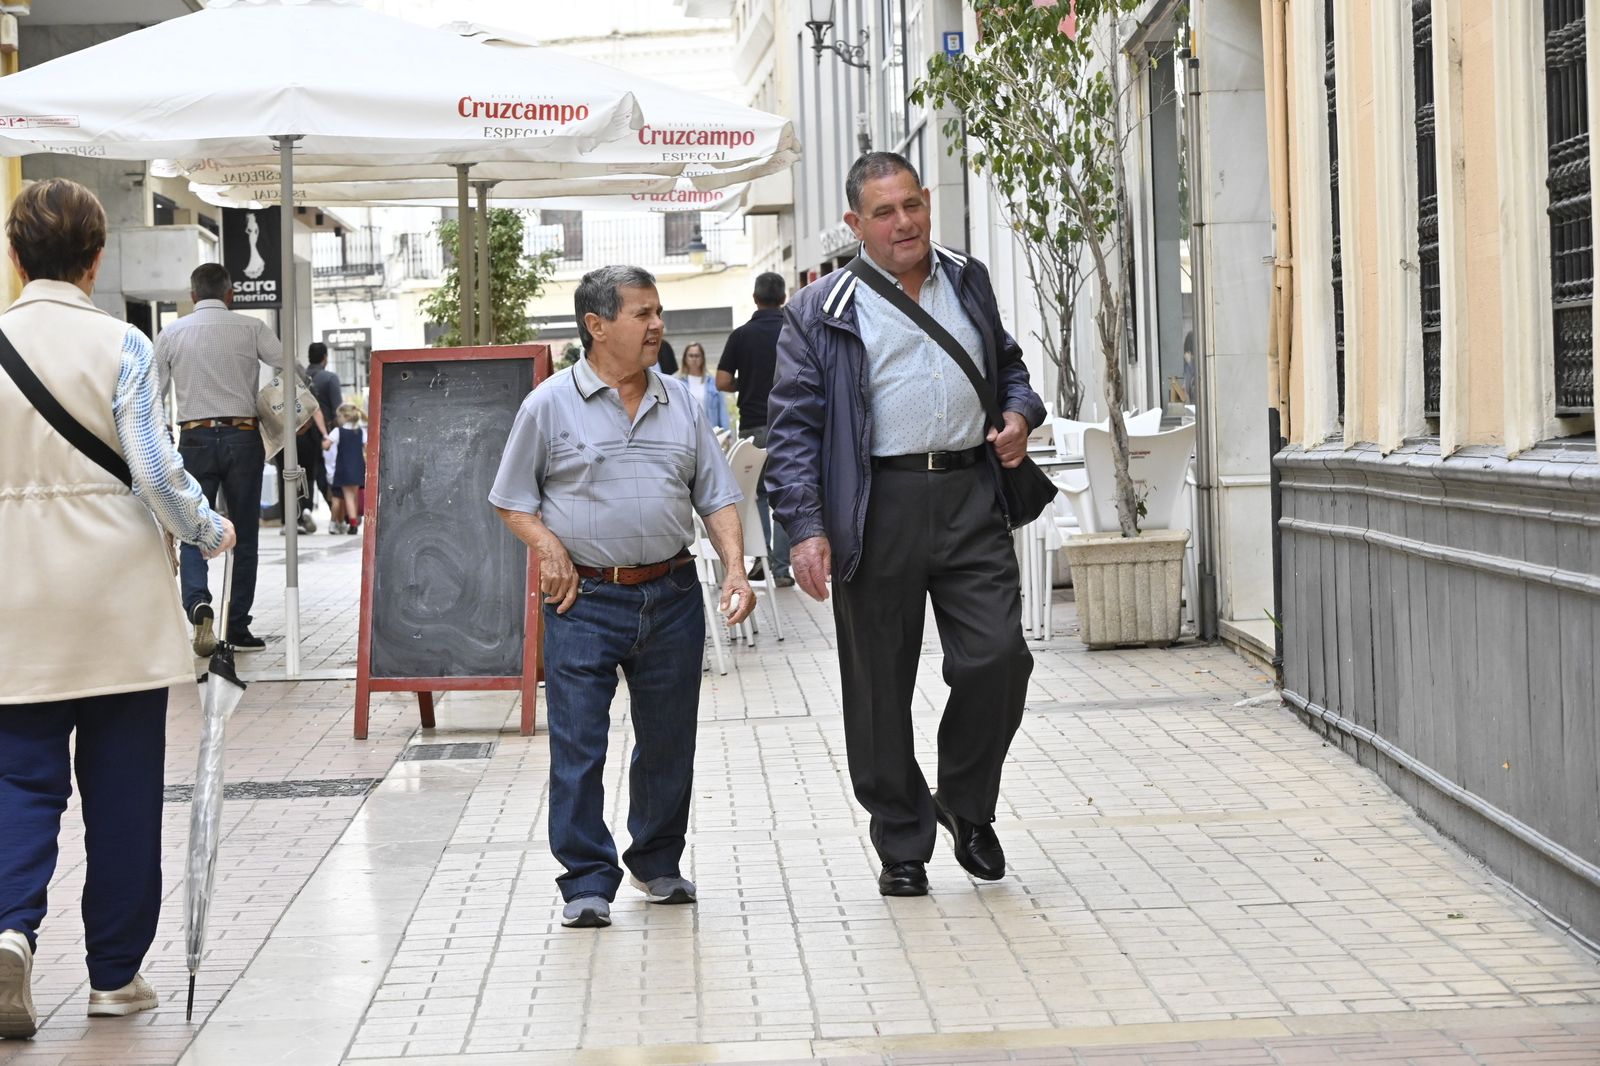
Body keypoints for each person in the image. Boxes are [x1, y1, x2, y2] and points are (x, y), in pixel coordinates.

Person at [765, 153, 1046, 898]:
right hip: (875, 506)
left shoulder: (968, 279)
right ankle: (901, 841)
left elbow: (1009, 369)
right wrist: (805, 528)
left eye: (911, 205)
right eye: (884, 213)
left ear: (927, 203)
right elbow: (793, 430)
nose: (904, 223)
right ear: (856, 224)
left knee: (999, 658)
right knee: (878, 686)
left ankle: (964, 801)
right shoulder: (821, 310)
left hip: (969, 498)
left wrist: (1017, 415)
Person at [0, 178, 236, 1038]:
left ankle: (9, 932)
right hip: (117, 604)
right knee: (124, 790)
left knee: (18, 783)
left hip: (12, 601)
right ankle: (112, 976)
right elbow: (153, 467)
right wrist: (211, 531)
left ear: (16, 254)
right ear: (96, 260)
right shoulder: (124, 344)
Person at [491, 265, 754, 929]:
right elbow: (511, 501)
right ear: (597, 325)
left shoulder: (680, 403)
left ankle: (657, 862)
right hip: (586, 599)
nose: (658, 325)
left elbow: (716, 492)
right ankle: (585, 879)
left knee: (669, 740)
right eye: (643, 313)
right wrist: (549, 549)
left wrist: (734, 566)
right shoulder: (547, 406)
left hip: (670, 592)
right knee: (579, 743)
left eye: (658, 311)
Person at [154, 261, 281, 654]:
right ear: (230, 294)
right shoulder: (251, 327)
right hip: (243, 436)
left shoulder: (170, 333)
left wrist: (163, 434)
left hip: (194, 439)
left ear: (193, 296)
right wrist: (265, 399)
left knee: (193, 525)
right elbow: (285, 365)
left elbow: (153, 393)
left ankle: (198, 604)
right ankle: (238, 626)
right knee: (244, 531)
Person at [717, 271, 793, 586]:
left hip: (754, 425)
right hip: (791, 424)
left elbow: (722, 381)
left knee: (760, 495)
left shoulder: (741, 335)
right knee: (788, 496)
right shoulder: (794, 330)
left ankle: (763, 559)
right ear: (784, 298)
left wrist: (745, 384)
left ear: (755, 298)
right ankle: (781, 569)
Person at [305, 342, 344, 531]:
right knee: (328, 475)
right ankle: (336, 515)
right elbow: (338, 410)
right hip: (325, 435)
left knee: (306, 475)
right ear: (325, 358)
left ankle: (303, 511)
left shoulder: (299, 378)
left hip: (301, 435)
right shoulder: (329, 378)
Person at [328, 402, 367, 534]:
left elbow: (326, 445)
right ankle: (354, 520)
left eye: (339, 416)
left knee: (348, 497)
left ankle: (353, 524)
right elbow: (367, 448)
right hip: (358, 467)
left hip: (343, 467)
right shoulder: (361, 432)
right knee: (354, 496)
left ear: (344, 416)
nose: (338, 419)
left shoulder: (338, 431)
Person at [675, 341, 731, 432]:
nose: (694, 359)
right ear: (685, 358)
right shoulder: (677, 382)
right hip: (685, 433)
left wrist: (726, 433)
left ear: (702, 358)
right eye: (691, 356)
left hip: (710, 432)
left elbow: (722, 411)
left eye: (697, 356)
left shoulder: (713, 383)